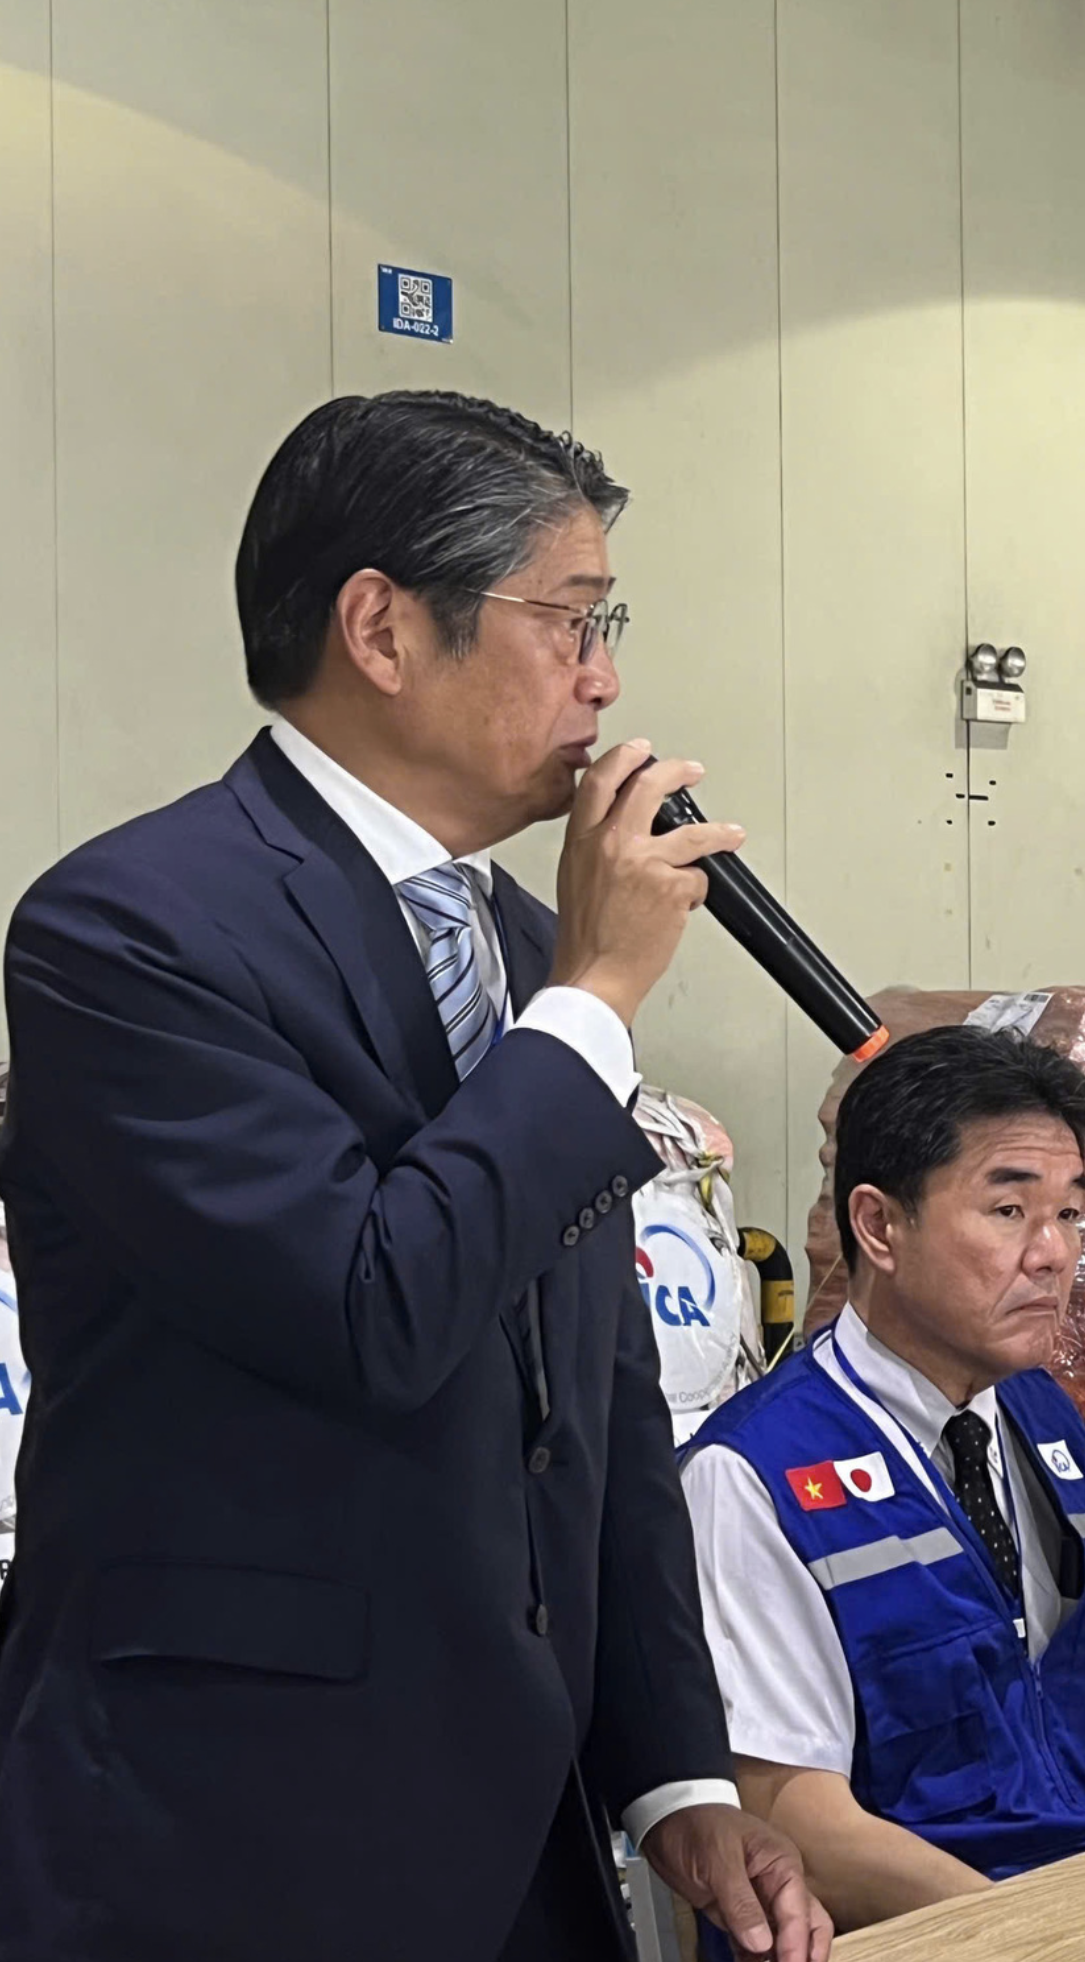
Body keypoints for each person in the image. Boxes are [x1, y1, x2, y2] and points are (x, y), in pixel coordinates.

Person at [0, 392, 827, 1961]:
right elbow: (372, 1303)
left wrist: (674, 1771)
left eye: (611, 623)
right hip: (234, 1832)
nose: (608, 679)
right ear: (380, 627)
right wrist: (591, 1005)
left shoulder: (529, 942)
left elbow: (601, 1394)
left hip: (525, 1824)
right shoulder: (130, 929)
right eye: (570, 620)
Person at [679, 1026, 1085, 1936]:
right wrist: (1043, 1936)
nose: (1054, 1253)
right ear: (879, 1225)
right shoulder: (752, 1476)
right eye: (1009, 1211)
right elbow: (797, 1823)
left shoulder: (1043, 1417)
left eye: (1069, 1213)